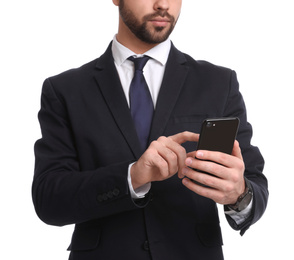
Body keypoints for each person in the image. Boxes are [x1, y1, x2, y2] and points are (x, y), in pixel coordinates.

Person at [32, 0, 268, 259]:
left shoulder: (219, 83)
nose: (163, 4)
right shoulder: (66, 90)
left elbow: (255, 185)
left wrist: (239, 195)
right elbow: (49, 200)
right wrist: (132, 177)